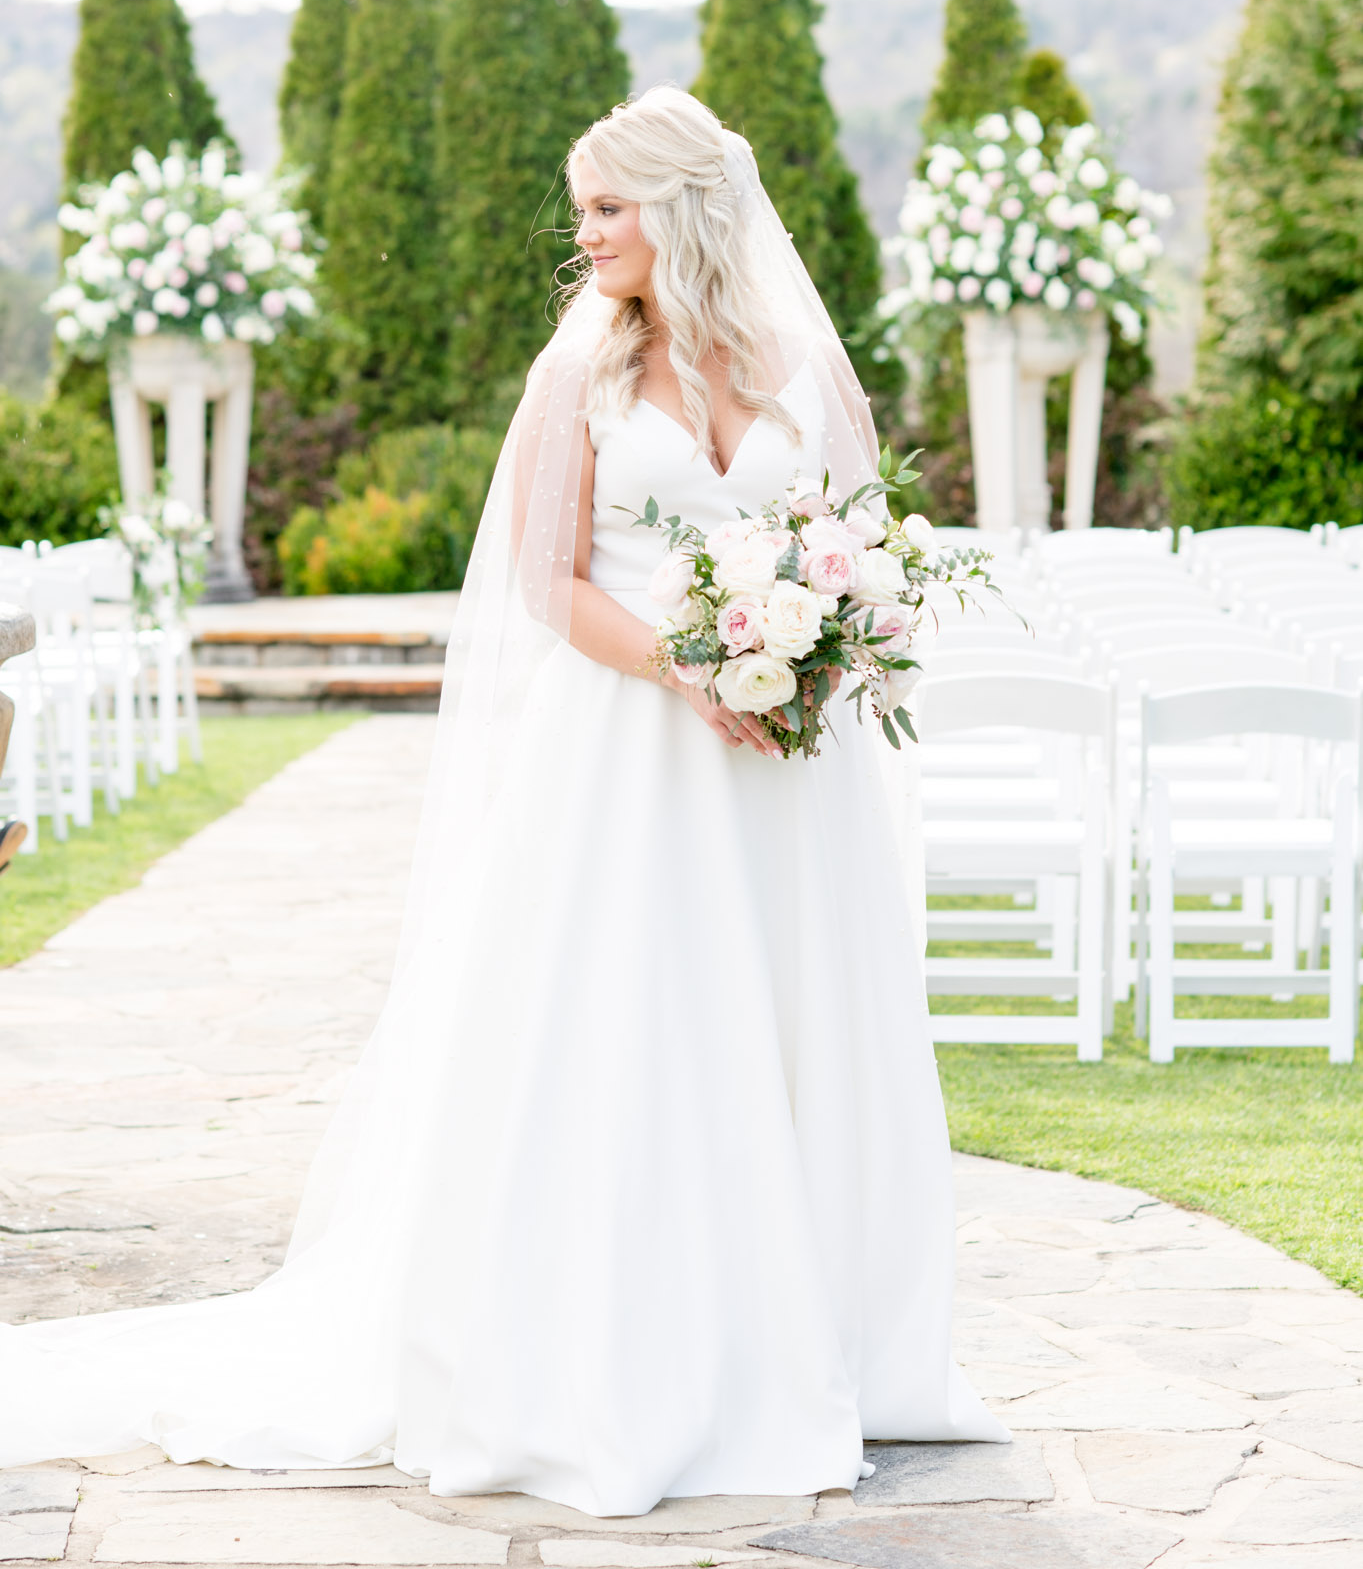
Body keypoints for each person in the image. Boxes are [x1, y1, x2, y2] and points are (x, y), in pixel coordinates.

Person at [0, 87, 1003, 1512]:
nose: (583, 233)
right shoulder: (579, 372)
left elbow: (858, 542)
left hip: (784, 775)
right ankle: (621, 1353)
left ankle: (810, 1328)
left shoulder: (798, 361)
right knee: (627, 1036)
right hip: (629, 752)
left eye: (609, 207)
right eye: (582, 206)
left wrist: (817, 652)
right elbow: (546, 583)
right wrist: (693, 668)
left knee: (787, 1027)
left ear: (684, 211)